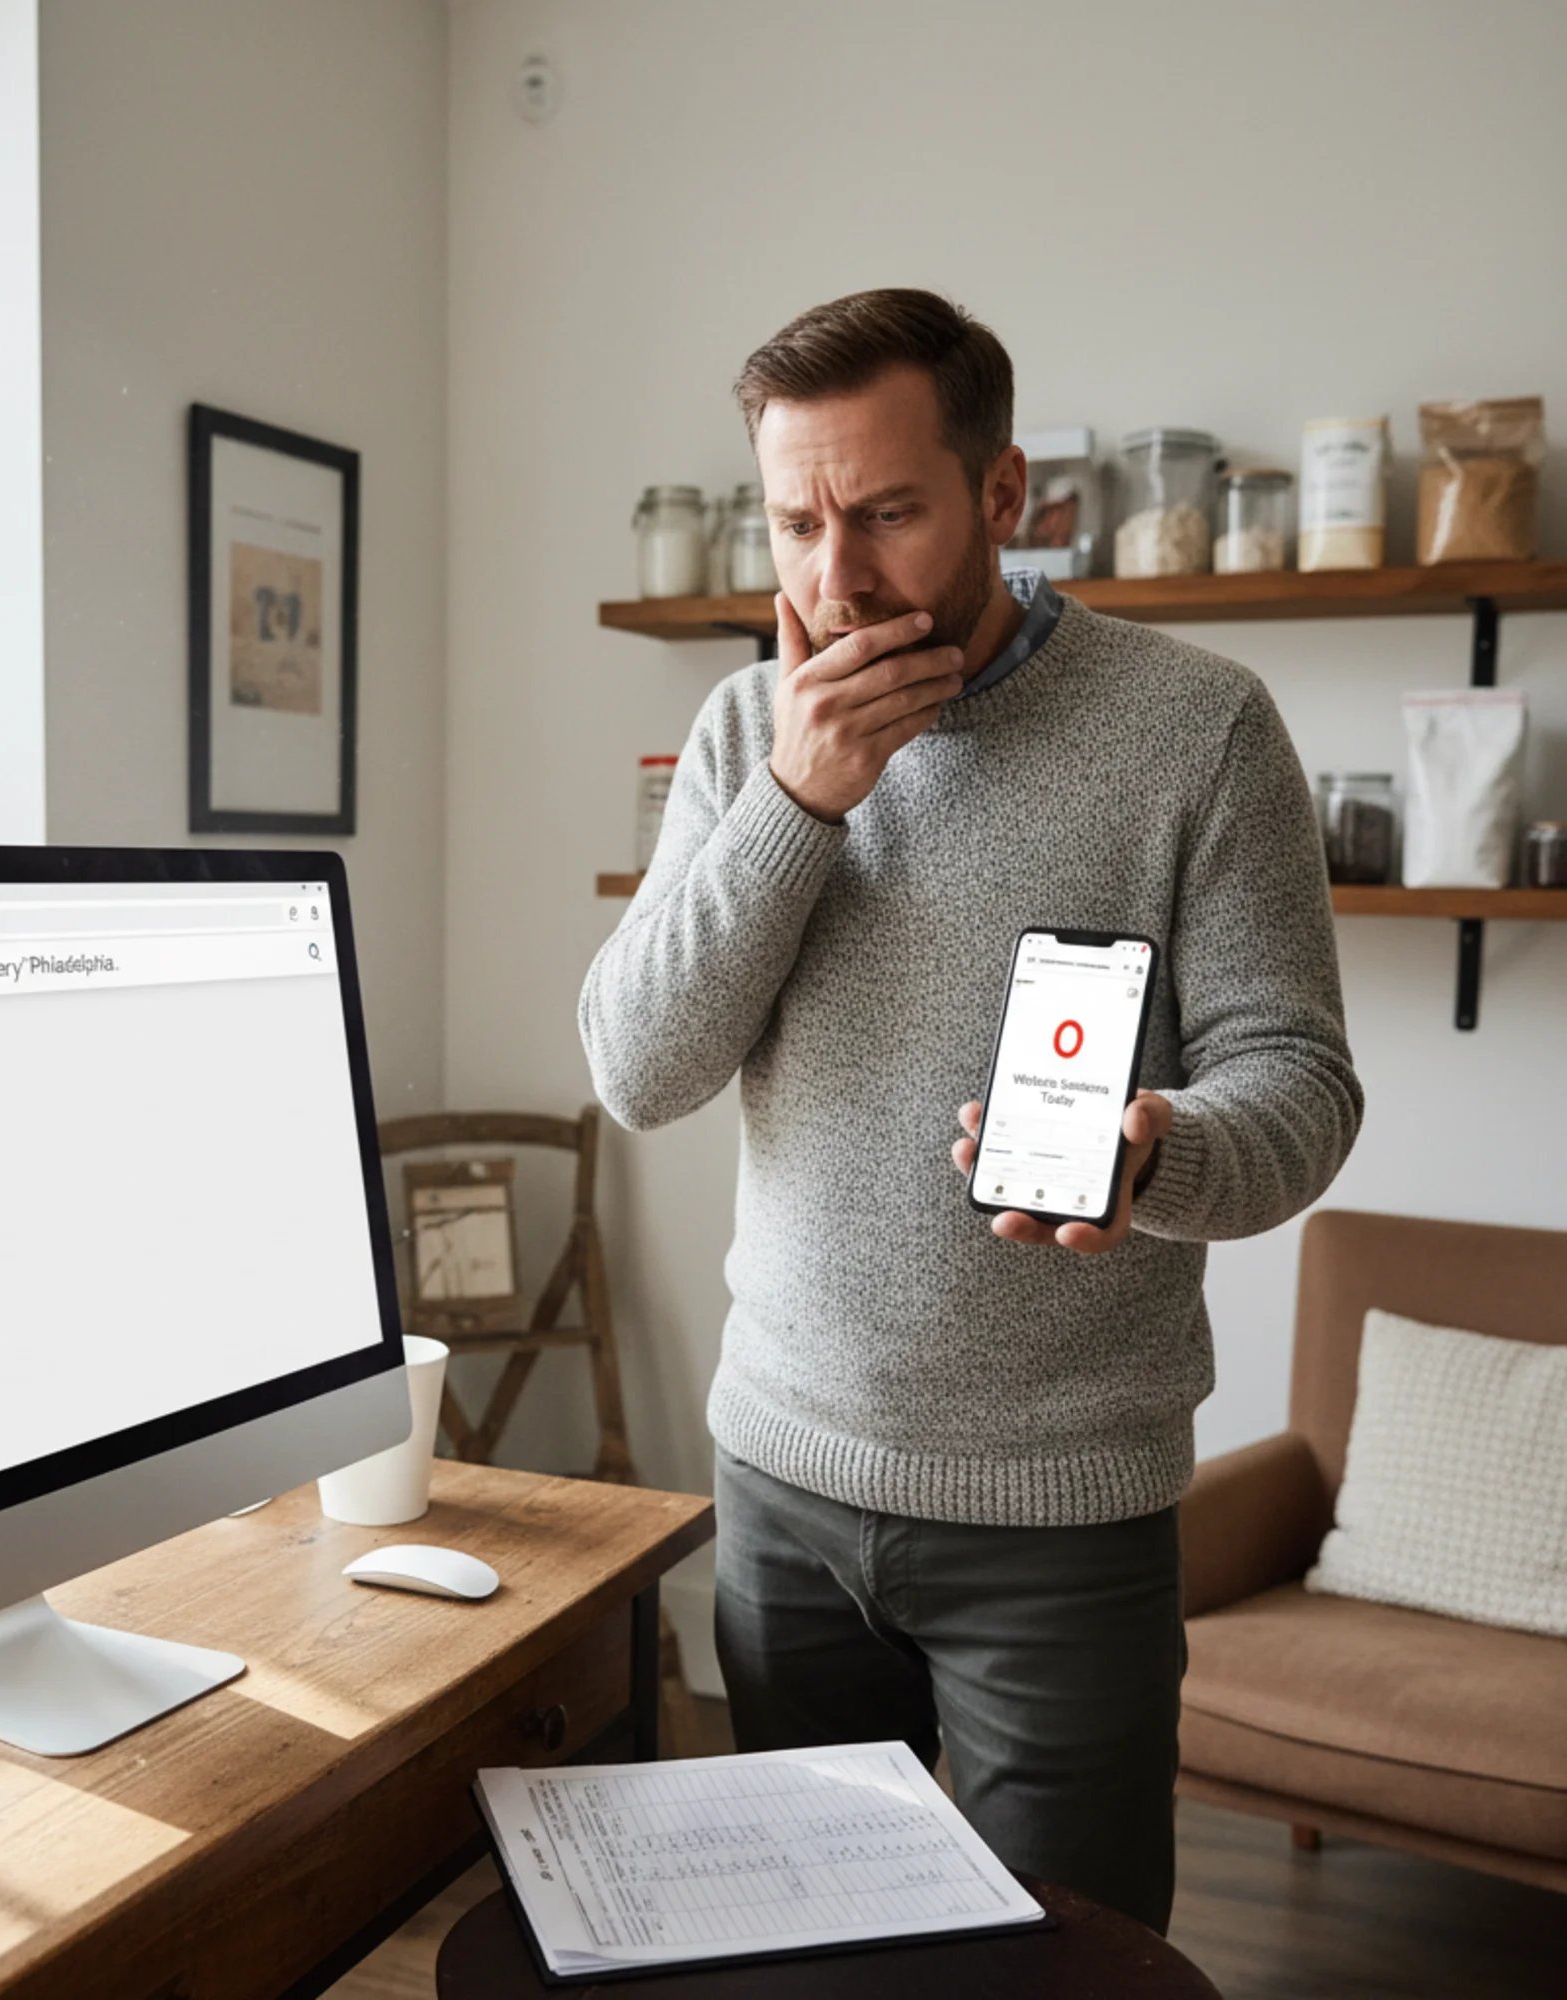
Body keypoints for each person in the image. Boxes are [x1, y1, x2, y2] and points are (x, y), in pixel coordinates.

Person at [578, 288, 1362, 1934]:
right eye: (797, 524)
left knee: (1067, 1966)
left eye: (885, 514)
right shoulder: (745, 732)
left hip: (1062, 1515)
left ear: (1005, 494)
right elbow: (640, 1070)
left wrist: (1165, 1157)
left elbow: (1300, 1081)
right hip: (782, 1481)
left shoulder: (1199, 728)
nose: (836, 577)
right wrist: (799, 802)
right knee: (804, 1953)